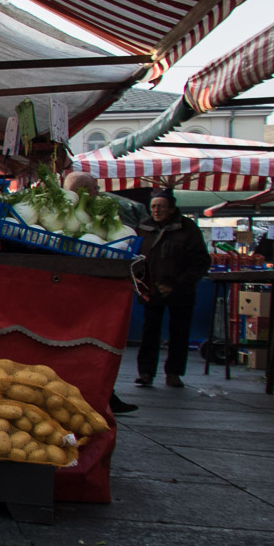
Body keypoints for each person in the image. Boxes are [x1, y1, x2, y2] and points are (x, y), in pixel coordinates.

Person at [62, 171, 140, 415]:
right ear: (85, 190)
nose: (98, 192)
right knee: (92, 347)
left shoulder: (90, 214)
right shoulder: (70, 213)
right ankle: (100, 396)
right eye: (94, 188)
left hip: (84, 289)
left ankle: (105, 395)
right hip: (80, 289)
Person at [133, 187, 211, 388]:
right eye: (153, 207)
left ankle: (174, 373)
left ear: (172, 208)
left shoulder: (188, 228)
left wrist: (176, 285)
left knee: (179, 332)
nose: (156, 210)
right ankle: (146, 373)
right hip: (152, 289)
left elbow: (201, 262)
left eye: (161, 206)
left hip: (181, 291)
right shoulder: (144, 227)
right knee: (150, 332)